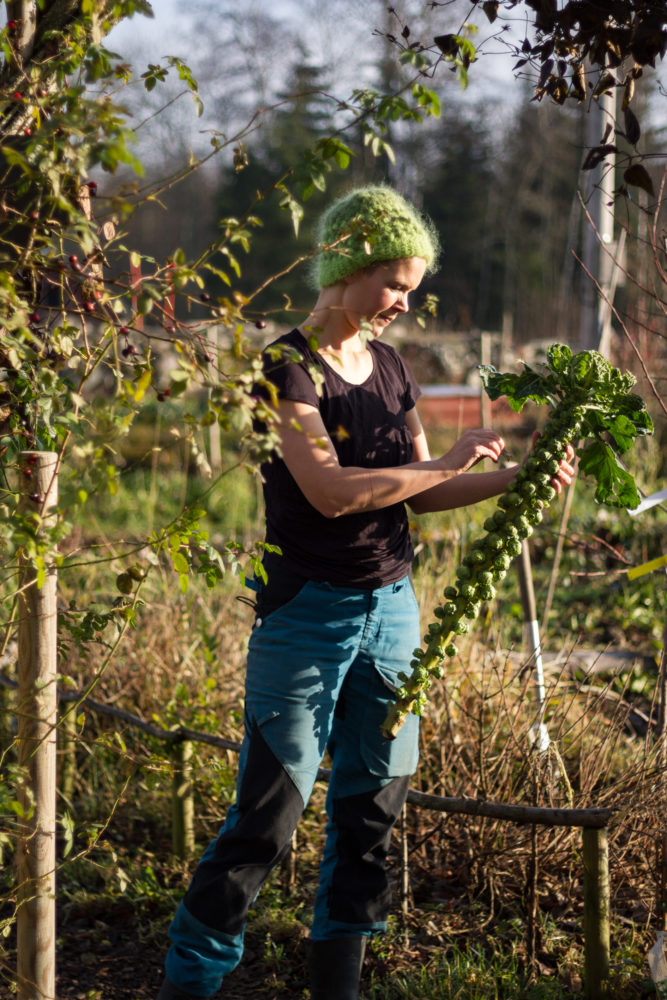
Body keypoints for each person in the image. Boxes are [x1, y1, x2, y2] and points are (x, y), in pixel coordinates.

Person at [156, 186, 574, 1000]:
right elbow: (329, 490)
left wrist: (515, 477)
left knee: (371, 815)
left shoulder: (389, 367)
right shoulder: (285, 367)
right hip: (306, 612)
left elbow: (415, 495)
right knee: (265, 825)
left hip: (391, 612)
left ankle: (336, 987)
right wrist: (449, 461)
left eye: (411, 288)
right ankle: (190, 983)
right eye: (392, 283)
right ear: (344, 268)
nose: (402, 303)